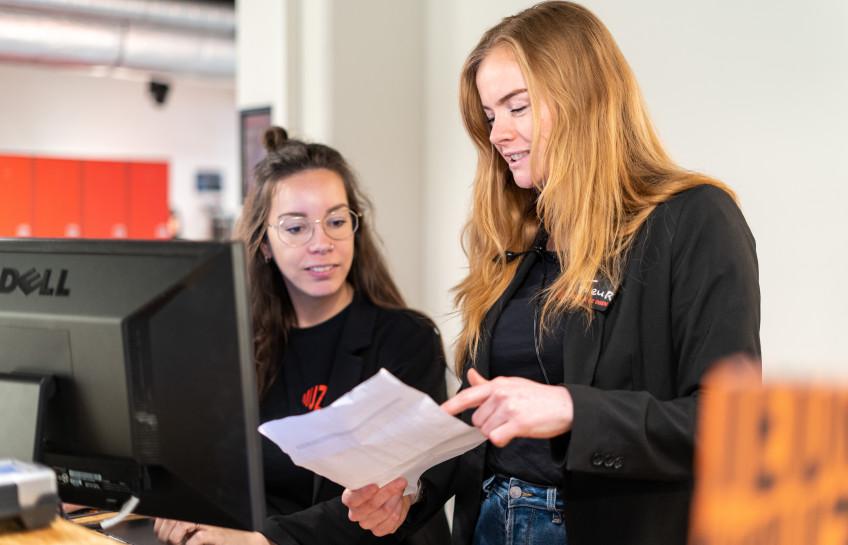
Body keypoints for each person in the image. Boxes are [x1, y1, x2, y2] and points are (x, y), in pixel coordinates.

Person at [342, 2, 761, 545]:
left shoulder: (693, 219)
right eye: (491, 116)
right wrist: (411, 489)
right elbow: (489, 433)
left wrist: (570, 408)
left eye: (517, 107)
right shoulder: (515, 238)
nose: (497, 134)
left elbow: (731, 428)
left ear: (583, 98)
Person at [154, 127, 450, 545]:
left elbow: (383, 500)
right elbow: (205, 466)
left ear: (354, 228)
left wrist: (264, 541)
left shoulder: (407, 340)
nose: (322, 243)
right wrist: (184, 507)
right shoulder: (235, 348)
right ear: (264, 245)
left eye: (335, 222)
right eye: (296, 228)